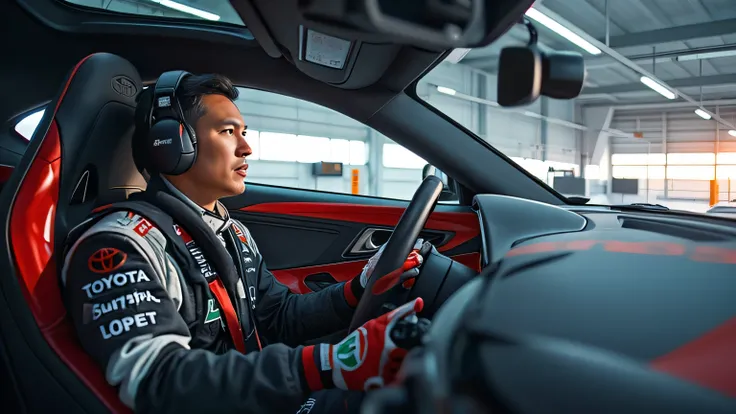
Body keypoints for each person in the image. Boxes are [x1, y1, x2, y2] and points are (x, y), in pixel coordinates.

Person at [60, 71, 430, 414]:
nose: (246, 148)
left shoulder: (230, 231)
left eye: (244, 132)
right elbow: (161, 380)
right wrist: (329, 363)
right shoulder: (121, 247)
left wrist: (358, 288)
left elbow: (277, 317)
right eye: (227, 132)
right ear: (172, 143)